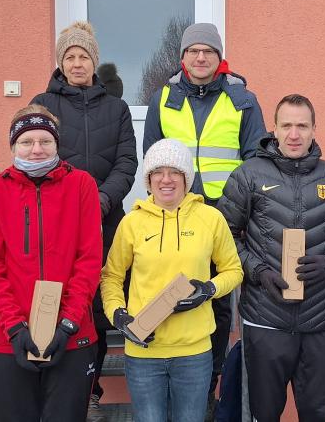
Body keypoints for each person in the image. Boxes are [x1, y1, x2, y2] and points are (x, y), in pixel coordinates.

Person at [142, 22, 267, 412]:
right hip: (173, 212)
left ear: (219, 57)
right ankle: (166, 381)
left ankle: (208, 387)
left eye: (208, 51)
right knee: (165, 287)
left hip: (224, 214)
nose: (200, 57)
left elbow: (256, 161)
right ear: (183, 57)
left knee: (216, 300)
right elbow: (152, 155)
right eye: (194, 51)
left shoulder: (242, 97)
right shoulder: (165, 97)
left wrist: (242, 210)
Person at [217, 94, 325, 421]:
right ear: (274, 129)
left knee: (315, 412)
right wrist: (257, 271)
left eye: (302, 126)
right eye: (287, 126)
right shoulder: (248, 175)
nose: (294, 134)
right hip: (264, 317)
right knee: (264, 412)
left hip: (318, 320)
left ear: (313, 130)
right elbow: (223, 235)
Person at [29, 20, 138, 421]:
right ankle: (68, 391)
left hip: (107, 220)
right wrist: (71, 202)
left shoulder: (117, 108)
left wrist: (103, 198)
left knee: (98, 304)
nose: (78, 63)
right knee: (62, 302)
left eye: (84, 56)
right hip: (59, 222)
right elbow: (38, 157)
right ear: (61, 62)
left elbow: (127, 162)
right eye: (70, 57)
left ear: (95, 61)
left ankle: (90, 388)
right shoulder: (45, 103)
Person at [0, 105, 103, 421]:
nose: (36, 149)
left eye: (45, 141)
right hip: (8, 340)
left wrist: (68, 323)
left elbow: (89, 261)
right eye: (26, 141)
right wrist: (15, 328)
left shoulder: (82, 184)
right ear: (13, 146)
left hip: (72, 338)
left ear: (57, 144)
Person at [101, 138, 244, 422]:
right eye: (158, 172)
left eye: (174, 172)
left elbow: (234, 270)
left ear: (186, 177)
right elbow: (112, 277)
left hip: (194, 353)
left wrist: (209, 289)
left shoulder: (211, 218)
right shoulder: (131, 223)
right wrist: (118, 315)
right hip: (143, 352)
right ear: (149, 178)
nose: (166, 179)